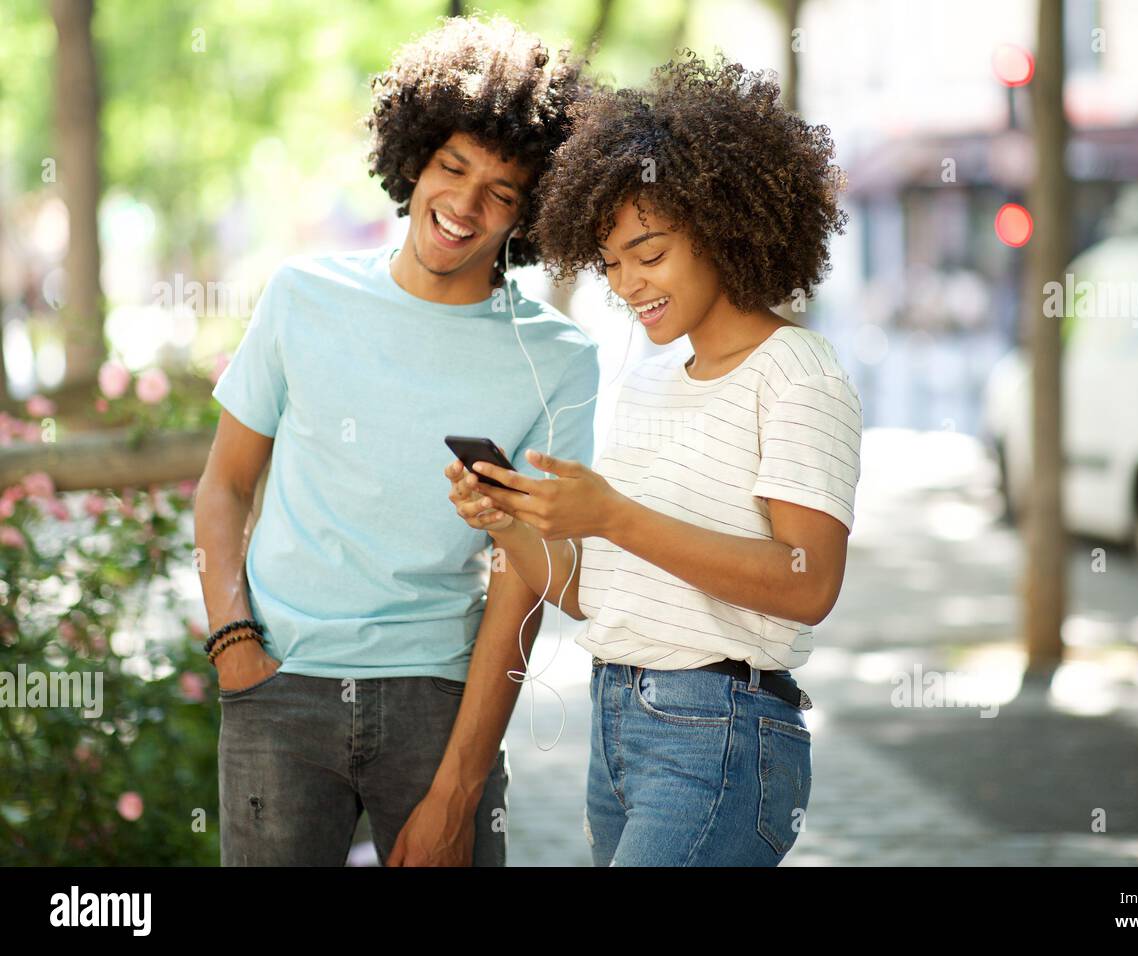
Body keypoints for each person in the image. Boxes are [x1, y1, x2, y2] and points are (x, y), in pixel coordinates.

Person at [194, 14, 599, 866]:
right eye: (452, 168)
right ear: (413, 158)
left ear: (530, 215)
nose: (464, 204)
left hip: (442, 702)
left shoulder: (559, 361)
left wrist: (459, 785)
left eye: (502, 192)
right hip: (280, 686)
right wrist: (233, 643)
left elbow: (520, 581)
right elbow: (225, 485)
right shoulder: (301, 295)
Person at [445, 53, 862, 865]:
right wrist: (512, 524)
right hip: (619, 726)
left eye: (651, 251)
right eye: (611, 265)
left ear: (720, 223)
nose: (630, 284)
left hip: (722, 732)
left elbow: (810, 583)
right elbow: (592, 591)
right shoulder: (647, 378)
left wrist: (614, 515)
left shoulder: (800, 375)